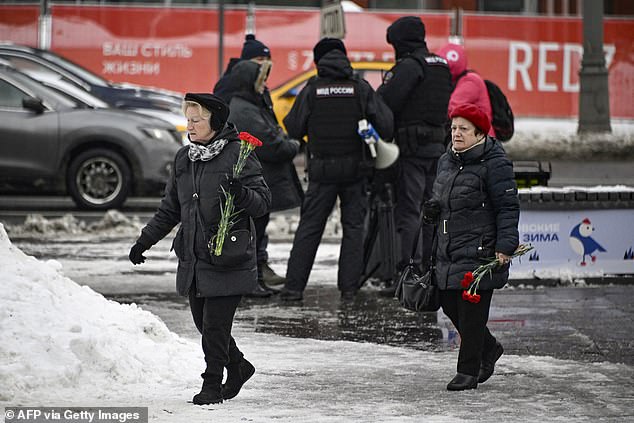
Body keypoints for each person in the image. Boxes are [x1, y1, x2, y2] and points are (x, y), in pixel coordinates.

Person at [128, 93, 271, 404]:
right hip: (194, 258)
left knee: (215, 327)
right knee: (204, 325)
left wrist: (242, 193)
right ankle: (239, 366)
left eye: (196, 120)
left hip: (229, 257)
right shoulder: (184, 158)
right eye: (188, 119)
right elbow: (170, 209)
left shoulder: (239, 155)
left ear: (215, 123)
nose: (189, 126)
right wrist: (144, 241)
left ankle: (211, 385)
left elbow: (262, 204)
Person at [279, 37, 393, 302]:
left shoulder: (312, 90)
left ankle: (293, 289)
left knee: (309, 228)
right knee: (353, 229)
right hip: (356, 171)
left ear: (319, 61)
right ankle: (349, 289)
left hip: (322, 172)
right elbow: (386, 125)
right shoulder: (360, 88)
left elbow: (293, 127)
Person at [423, 103, 519, 391]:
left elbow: (507, 207)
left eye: (463, 129)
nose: (456, 133)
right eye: (454, 128)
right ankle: (488, 349)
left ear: (479, 133)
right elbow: (441, 196)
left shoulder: (496, 163)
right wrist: (431, 209)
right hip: (449, 247)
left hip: (481, 250)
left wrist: (505, 246)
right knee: (448, 302)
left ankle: (468, 371)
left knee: (471, 311)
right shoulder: (446, 160)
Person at [377, 16, 452, 293]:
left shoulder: (409, 67)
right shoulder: (441, 65)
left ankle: (408, 273)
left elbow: (385, 102)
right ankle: (431, 271)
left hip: (412, 151)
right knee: (431, 210)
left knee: (409, 212)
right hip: (437, 149)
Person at [214, 34, 287, 287]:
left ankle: (258, 264)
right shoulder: (230, 86)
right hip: (242, 161)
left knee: (260, 215)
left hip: (258, 162)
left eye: (268, 59)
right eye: (259, 59)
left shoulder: (260, 86)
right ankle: (247, 269)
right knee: (245, 218)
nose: (265, 65)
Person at [228, 59, 304, 297]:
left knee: (255, 233)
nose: (264, 86)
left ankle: (254, 280)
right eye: (260, 81)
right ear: (249, 83)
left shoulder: (249, 105)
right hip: (255, 181)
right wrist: (293, 144)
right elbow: (272, 144)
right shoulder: (246, 109)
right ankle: (250, 283)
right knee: (253, 233)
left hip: (258, 179)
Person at [437, 43, 495, 137]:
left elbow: (452, 108)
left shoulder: (470, 81)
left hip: (479, 140)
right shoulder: (457, 80)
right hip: (471, 136)